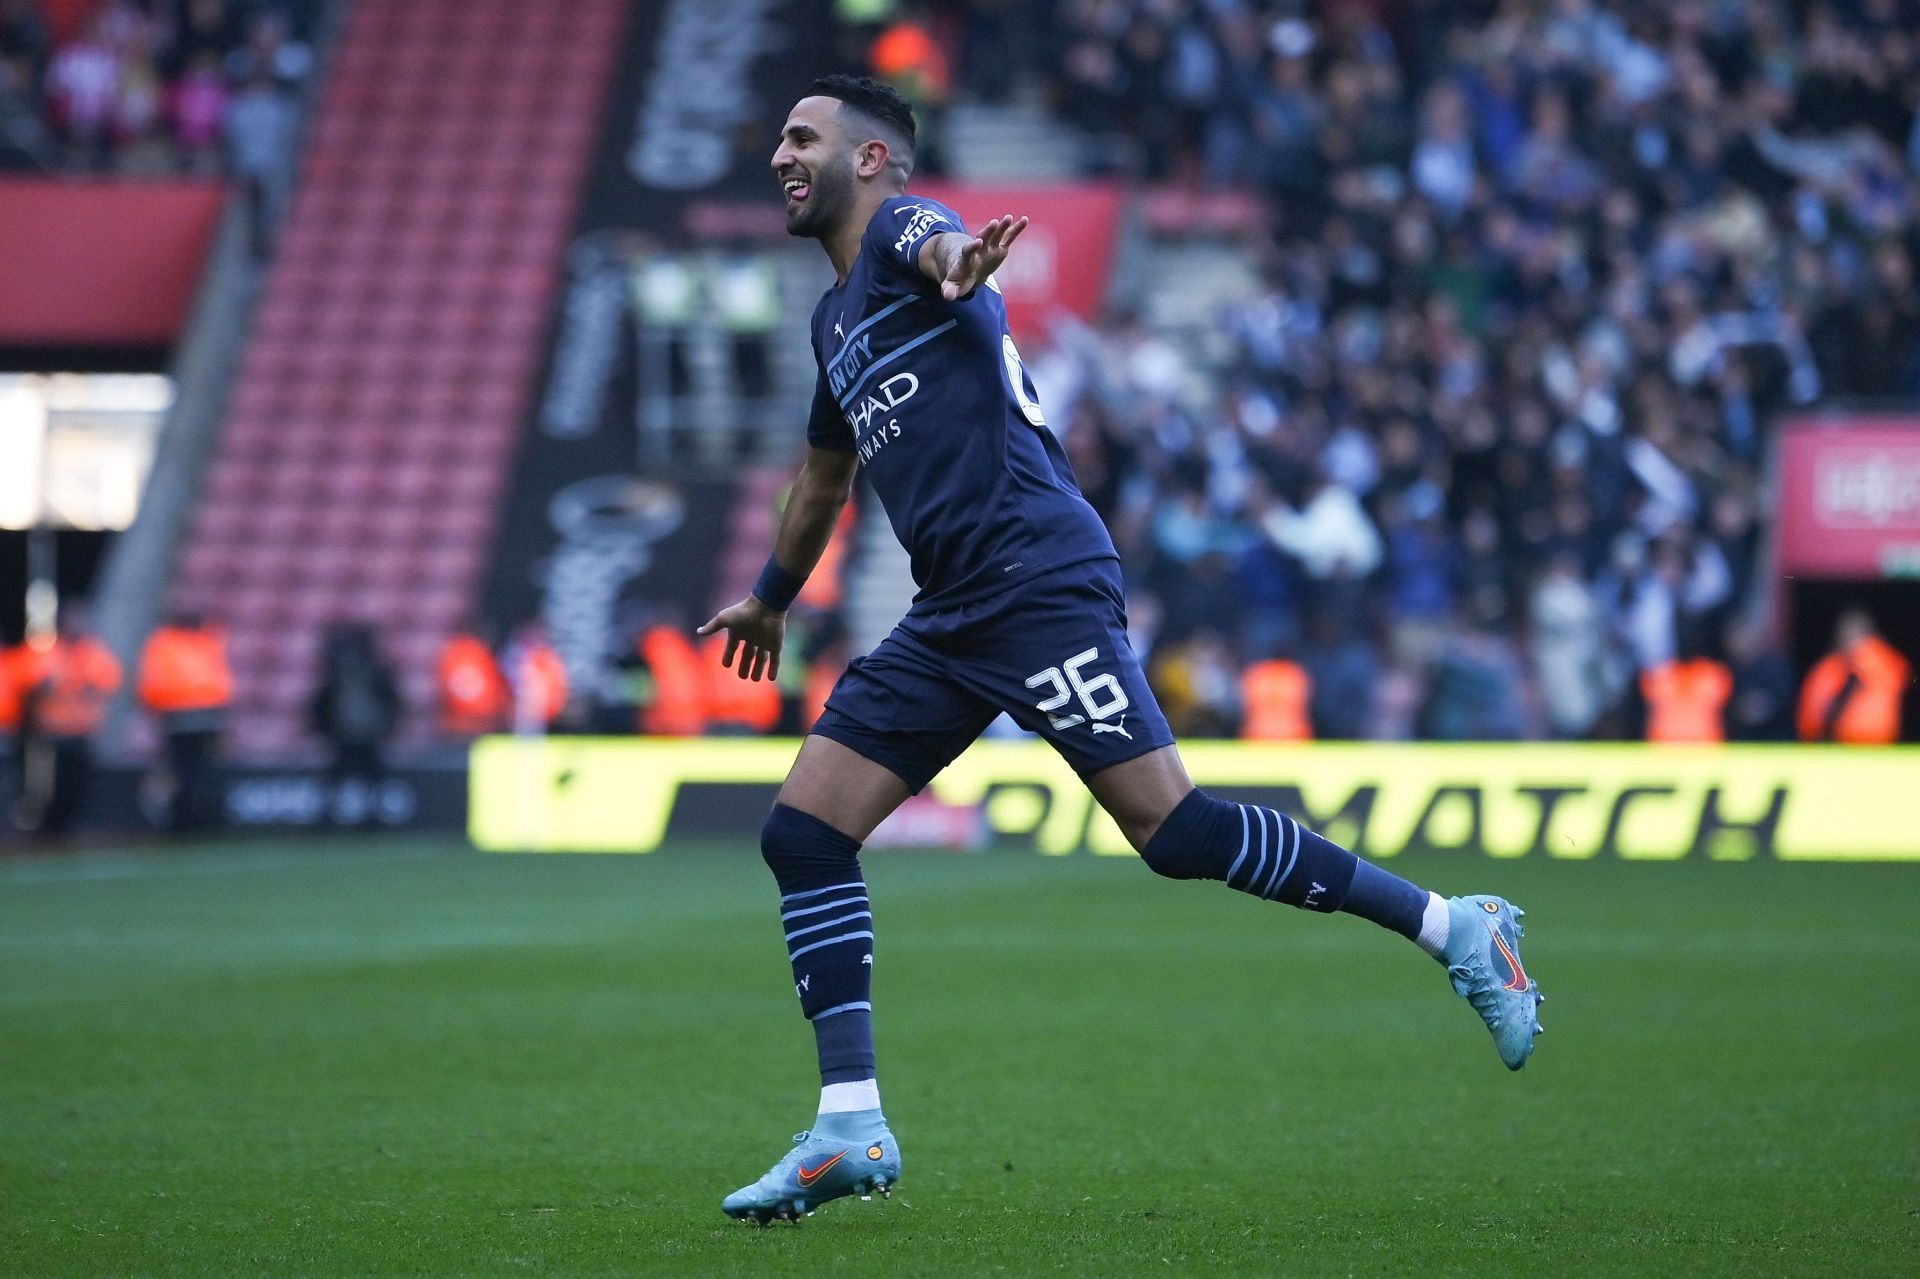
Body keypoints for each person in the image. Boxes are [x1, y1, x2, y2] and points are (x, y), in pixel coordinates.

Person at [697, 77, 1543, 1225]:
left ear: (876, 160)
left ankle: (1458, 928)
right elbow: (823, 479)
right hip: (954, 611)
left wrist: (959, 265)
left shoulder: (906, 230)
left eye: (805, 138)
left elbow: (945, 252)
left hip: (1037, 581)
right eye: (782, 138)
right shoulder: (833, 317)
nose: (782, 154)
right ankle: (850, 1121)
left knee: (1178, 832)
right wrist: (768, 597)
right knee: (803, 830)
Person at [18, 609, 120, 836]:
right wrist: (46, 686)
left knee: (82, 782)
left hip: (84, 731)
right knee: (51, 783)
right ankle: (51, 828)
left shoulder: (94, 652)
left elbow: (108, 682)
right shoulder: (48, 652)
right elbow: (30, 685)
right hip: (54, 733)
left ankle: (78, 824)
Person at [136, 609, 232, 830]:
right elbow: (156, 683)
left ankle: (201, 817)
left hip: (206, 717)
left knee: (201, 771)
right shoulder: (166, 644)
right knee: (183, 771)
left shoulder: (204, 641)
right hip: (179, 718)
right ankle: (181, 818)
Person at [307, 623, 399, 798]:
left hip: (362, 736)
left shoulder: (370, 674)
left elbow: (392, 703)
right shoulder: (344, 675)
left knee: (365, 779)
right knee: (358, 778)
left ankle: (365, 817)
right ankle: (333, 817)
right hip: (351, 736)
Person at [1798, 610, 1911, 745]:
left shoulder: (1884, 664)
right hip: (1833, 744)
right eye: (1847, 634)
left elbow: (1900, 676)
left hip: (1878, 744)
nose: (1852, 641)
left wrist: (1862, 656)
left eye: (1858, 635)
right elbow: (1813, 711)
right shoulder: (1828, 669)